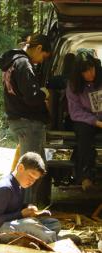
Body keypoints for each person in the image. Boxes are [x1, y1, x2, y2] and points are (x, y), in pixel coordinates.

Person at [0, 34, 52, 203]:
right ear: (38, 48)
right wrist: (44, 92)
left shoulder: (11, 63)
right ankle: (24, 208)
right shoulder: (23, 63)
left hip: (18, 119)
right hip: (29, 122)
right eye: (44, 56)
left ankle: (26, 205)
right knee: (31, 170)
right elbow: (31, 97)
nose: (42, 61)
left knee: (33, 166)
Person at [0, 152, 61, 244]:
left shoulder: (20, 185)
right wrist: (21, 214)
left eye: (35, 179)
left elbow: (14, 207)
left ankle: (44, 236)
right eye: (30, 176)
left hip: (13, 224)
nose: (31, 182)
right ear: (20, 168)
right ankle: (55, 241)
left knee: (54, 223)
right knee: (29, 225)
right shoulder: (5, 188)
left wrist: (29, 207)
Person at [66, 51, 102, 191]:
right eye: (85, 71)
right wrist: (95, 122)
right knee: (84, 134)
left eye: (91, 68)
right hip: (87, 120)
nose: (90, 73)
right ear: (79, 73)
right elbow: (75, 112)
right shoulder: (73, 85)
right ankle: (86, 176)